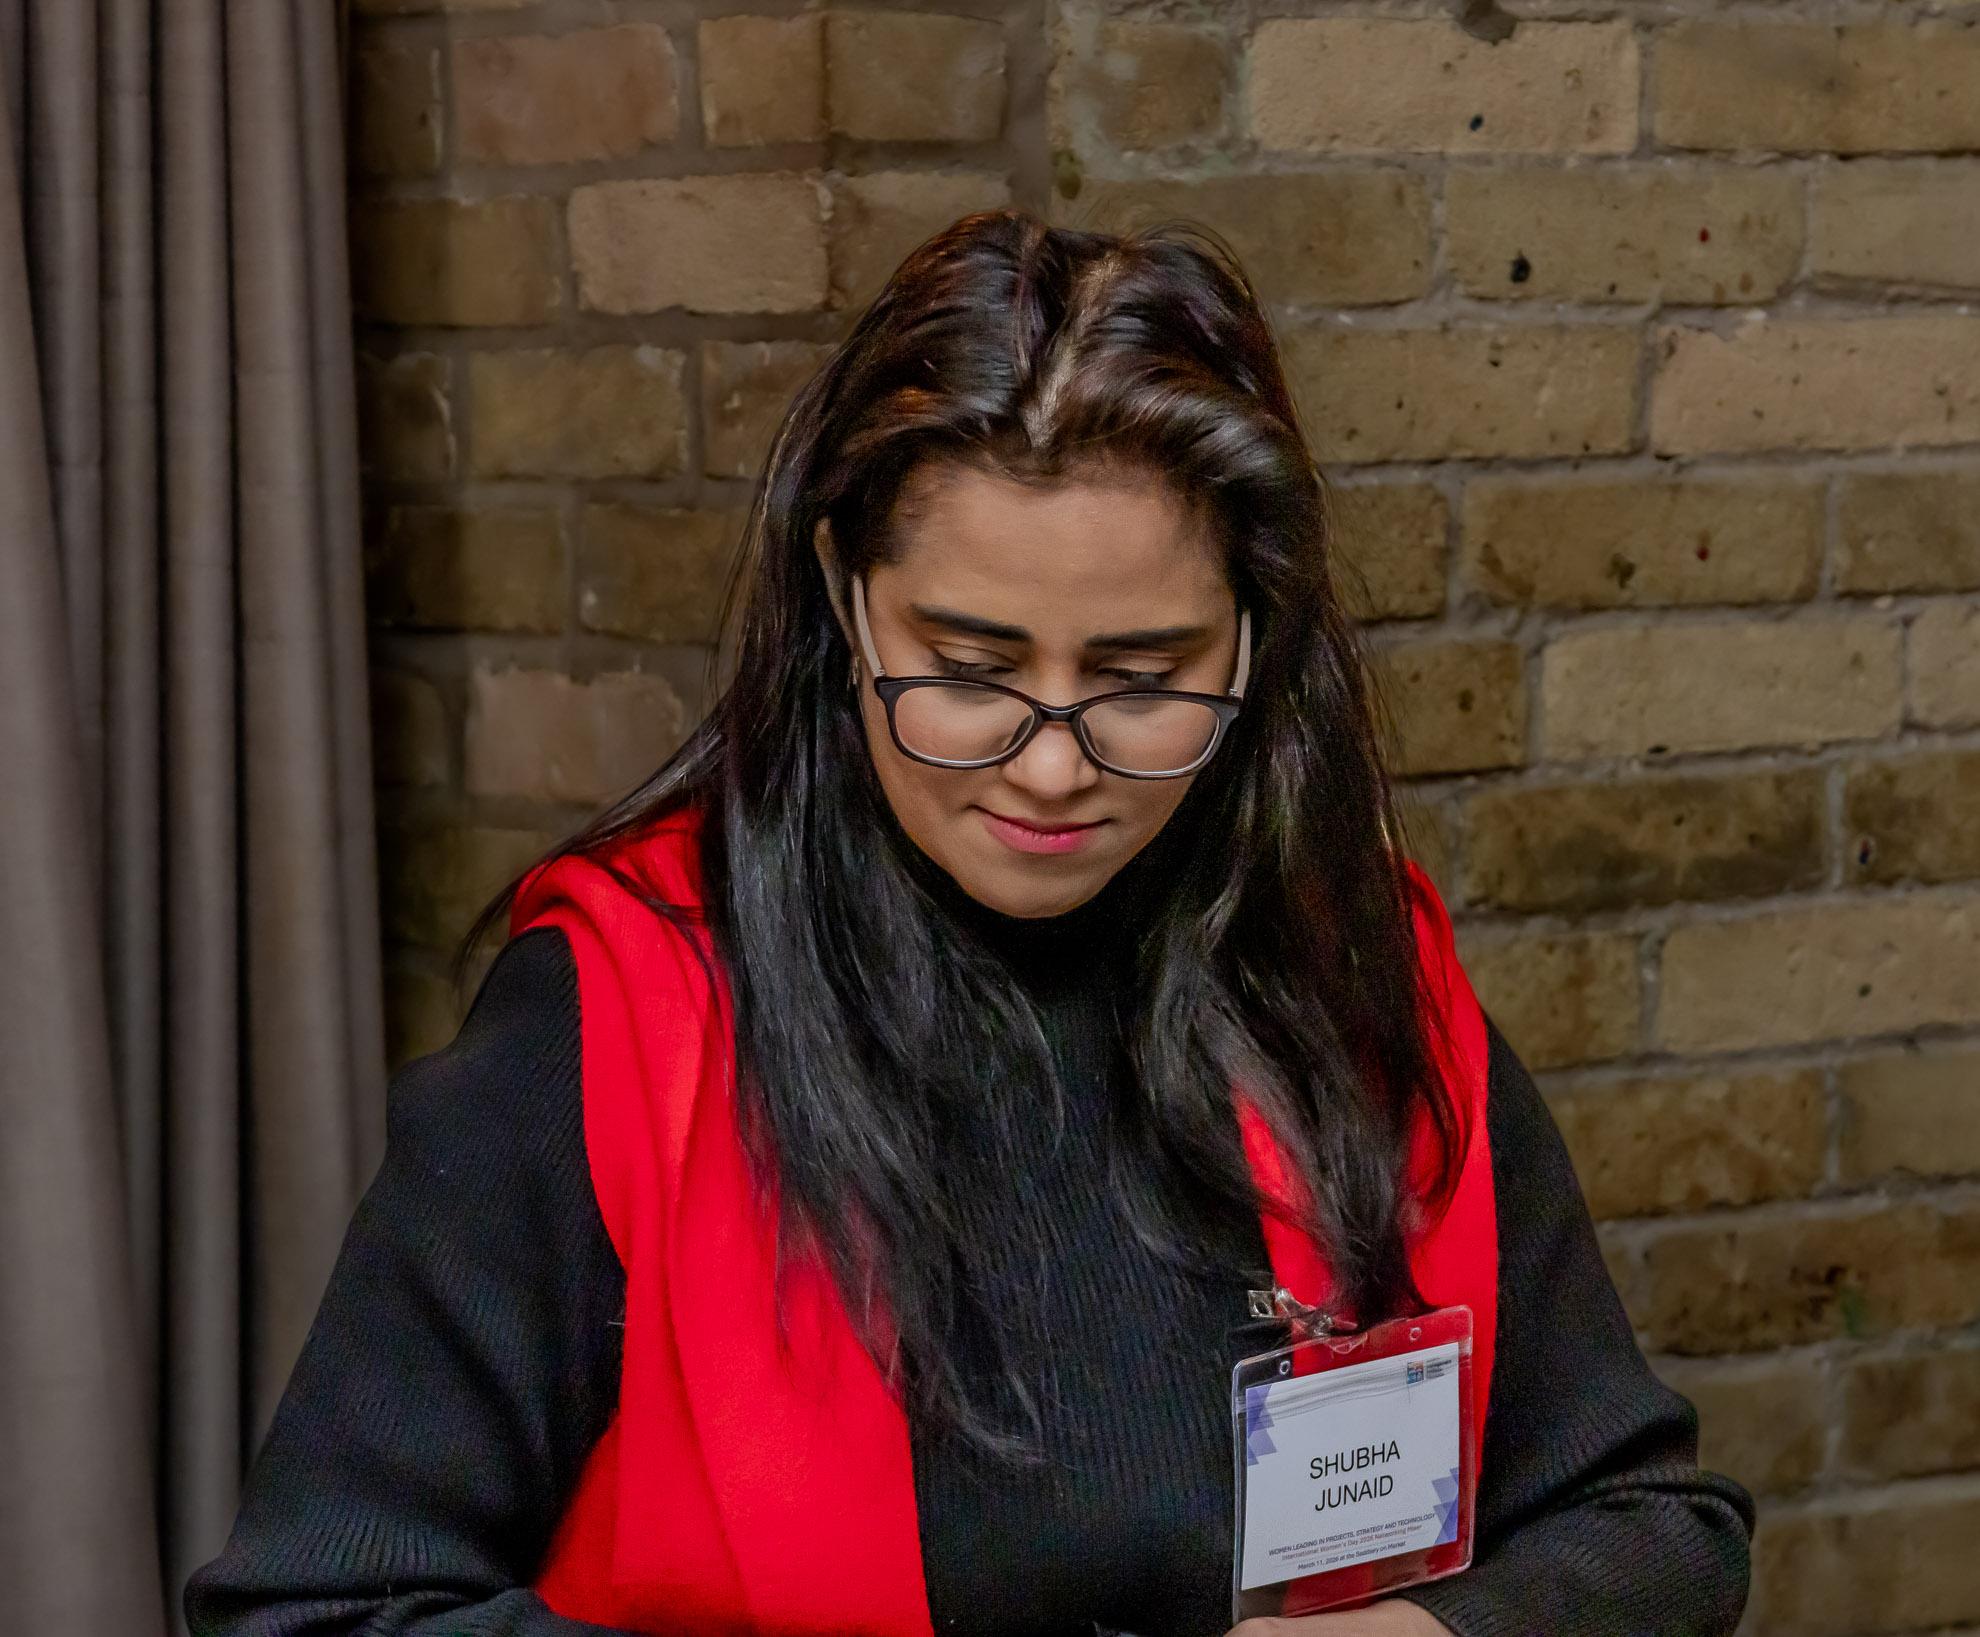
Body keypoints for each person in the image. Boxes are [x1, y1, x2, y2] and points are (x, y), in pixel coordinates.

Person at [186, 210, 1753, 1636]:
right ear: (843, 598)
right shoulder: (618, 1018)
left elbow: (1652, 1528)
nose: (1054, 766)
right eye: (971, 667)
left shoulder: (1350, 986)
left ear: (1254, 636)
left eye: (1141, 677)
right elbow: (315, 1608)